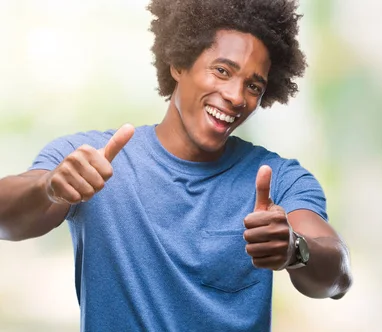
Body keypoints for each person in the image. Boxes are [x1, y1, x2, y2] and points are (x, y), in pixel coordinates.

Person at [0, 0, 352, 330]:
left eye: (253, 86)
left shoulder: (279, 179)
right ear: (179, 63)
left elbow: (338, 277)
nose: (235, 96)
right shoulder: (91, 159)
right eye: (221, 70)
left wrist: (294, 250)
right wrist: (48, 188)